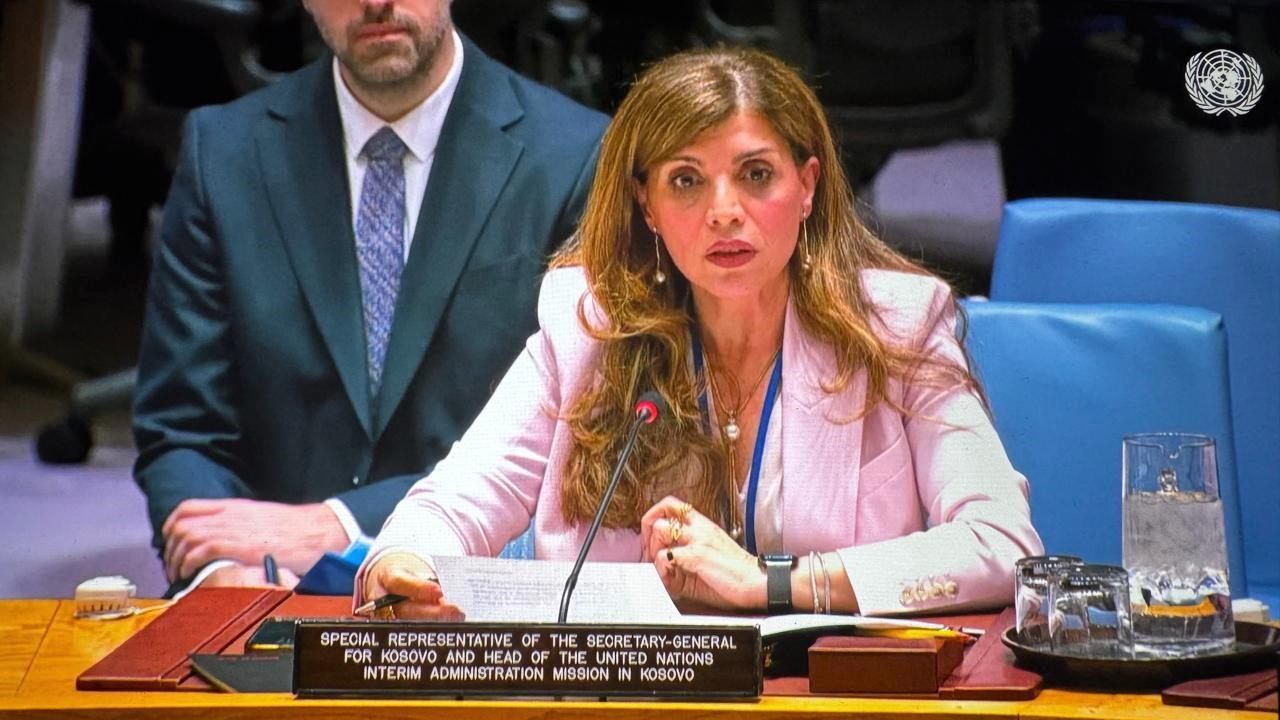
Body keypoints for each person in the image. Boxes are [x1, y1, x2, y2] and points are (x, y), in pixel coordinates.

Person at [356, 46, 1042, 617]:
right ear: (646, 205)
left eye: (755, 175)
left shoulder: (896, 329)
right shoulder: (589, 330)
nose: (724, 211)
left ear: (807, 185)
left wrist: (774, 582)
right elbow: (454, 501)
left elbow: (1002, 543)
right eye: (686, 180)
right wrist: (403, 564)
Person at [132, 0, 608, 591]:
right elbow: (182, 425)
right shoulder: (223, 151)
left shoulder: (576, 157)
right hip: (260, 583)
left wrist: (341, 525)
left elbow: (577, 444)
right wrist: (218, 570)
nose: (377, 2)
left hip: (470, 593)